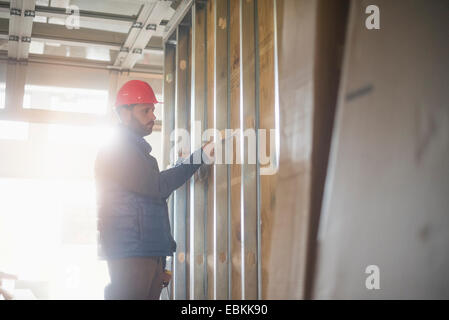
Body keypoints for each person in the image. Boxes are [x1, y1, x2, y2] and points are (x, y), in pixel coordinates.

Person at [94, 80, 214, 300]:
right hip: (132, 252)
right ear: (125, 113)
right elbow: (157, 186)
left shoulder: (136, 151)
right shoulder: (118, 149)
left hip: (145, 250)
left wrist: (162, 258)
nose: (153, 116)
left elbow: (152, 194)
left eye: (153, 110)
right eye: (145, 110)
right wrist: (199, 158)